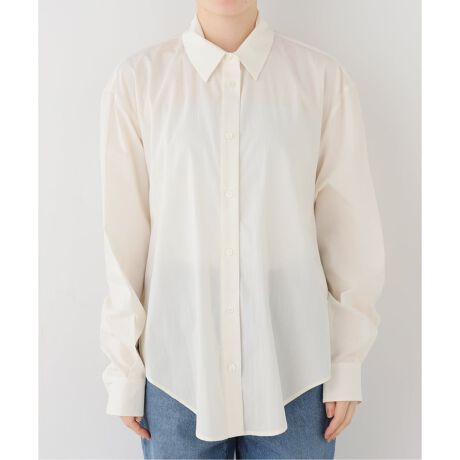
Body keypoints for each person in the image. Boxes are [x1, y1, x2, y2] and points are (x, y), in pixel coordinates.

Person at [98, 0, 385, 458]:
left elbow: (349, 233)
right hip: (176, 374)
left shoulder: (322, 81)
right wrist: (124, 371)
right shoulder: (139, 83)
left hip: (294, 371)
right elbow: (124, 237)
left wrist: (346, 362)